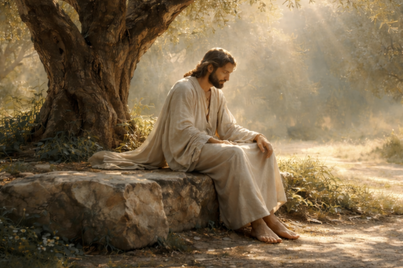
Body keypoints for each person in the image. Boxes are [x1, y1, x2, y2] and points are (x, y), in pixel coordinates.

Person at [92, 48, 299, 244]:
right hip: (185, 151)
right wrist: (214, 141)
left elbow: (229, 128)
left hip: (209, 148)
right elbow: (182, 129)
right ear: (210, 68)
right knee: (235, 153)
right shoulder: (184, 88)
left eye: (229, 73)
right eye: (225, 72)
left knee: (260, 151)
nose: (227, 78)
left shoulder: (217, 94)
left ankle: (269, 216)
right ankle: (256, 222)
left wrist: (257, 136)